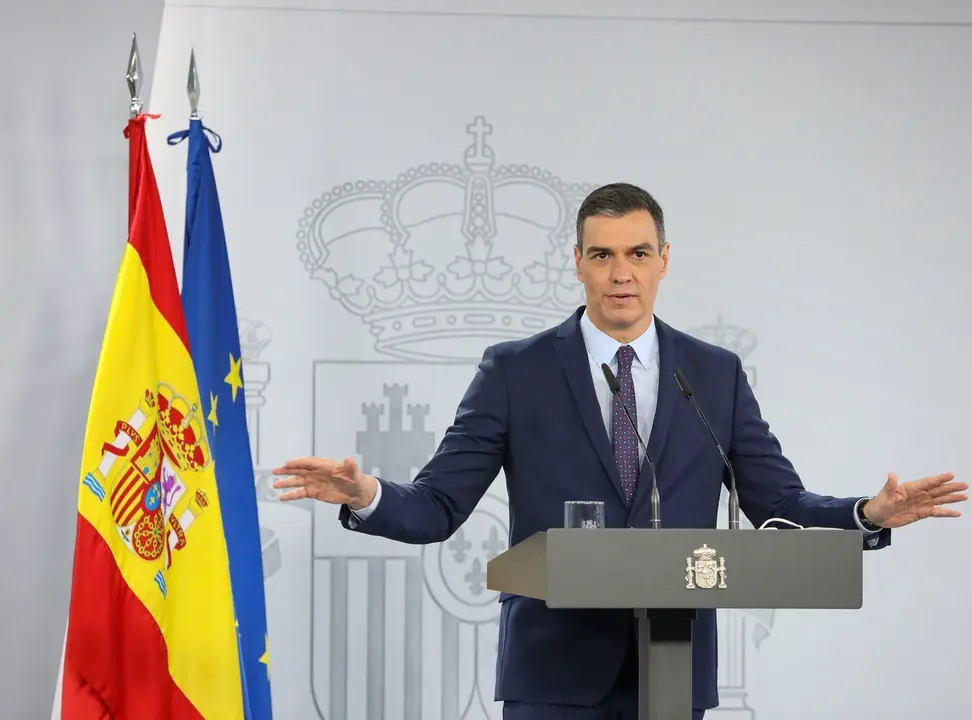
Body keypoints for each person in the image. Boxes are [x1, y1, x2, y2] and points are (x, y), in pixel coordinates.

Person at [273, 182, 966, 720]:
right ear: (578, 263)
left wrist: (866, 514)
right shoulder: (515, 371)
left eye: (638, 253)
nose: (620, 273)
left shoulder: (714, 375)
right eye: (602, 255)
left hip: (673, 673)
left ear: (665, 260)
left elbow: (777, 503)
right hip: (552, 675)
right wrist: (368, 496)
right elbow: (439, 505)